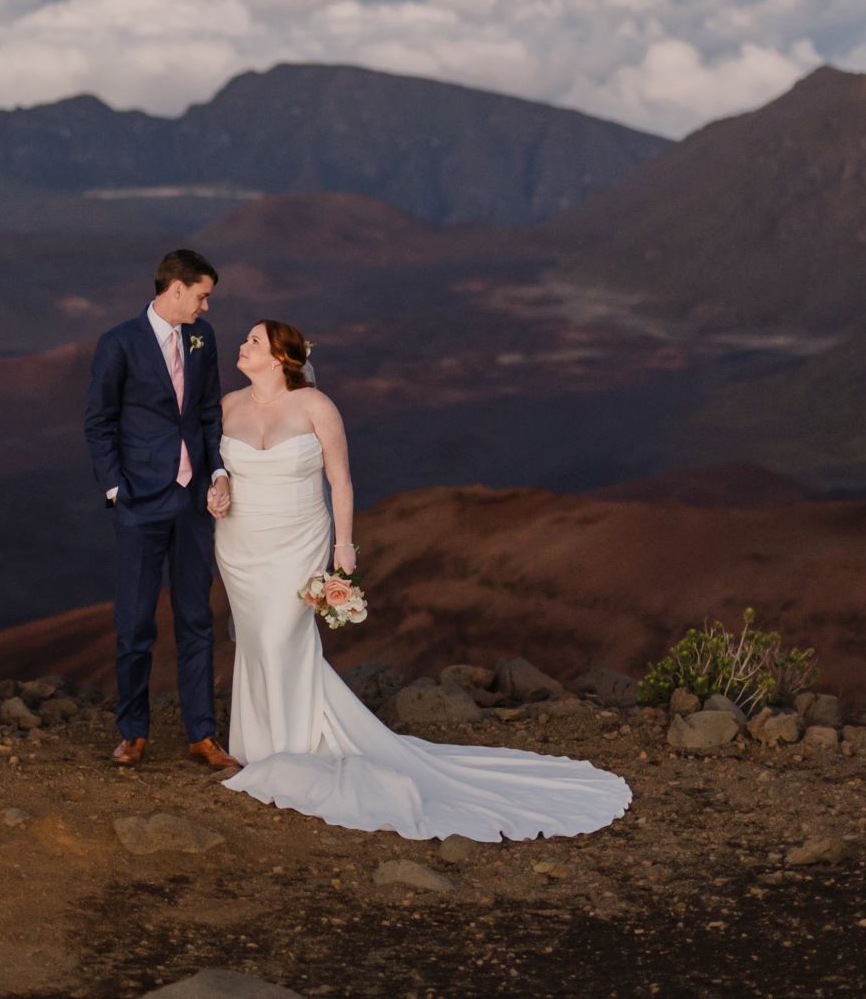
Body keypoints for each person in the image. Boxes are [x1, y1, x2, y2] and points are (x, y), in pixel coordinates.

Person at [209, 318, 632, 840]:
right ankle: (256, 747)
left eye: (253, 340)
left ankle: (290, 750)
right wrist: (220, 482)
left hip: (298, 541)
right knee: (255, 640)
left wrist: (343, 547)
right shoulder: (228, 406)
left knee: (280, 635)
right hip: (240, 543)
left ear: (279, 357)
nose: (242, 345)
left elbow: (339, 480)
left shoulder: (317, 407)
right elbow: (214, 461)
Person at [82, 247, 236, 770]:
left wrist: (217, 471)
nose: (206, 308)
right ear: (176, 289)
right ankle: (133, 732)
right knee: (135, 622)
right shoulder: (118, 342)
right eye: (202, 296)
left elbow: (210, 410)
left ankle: (202, 734)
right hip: (139, 503)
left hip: (193, 502)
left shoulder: (202, 339)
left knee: (196, 618)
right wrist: (114, 489)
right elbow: (98, 421)